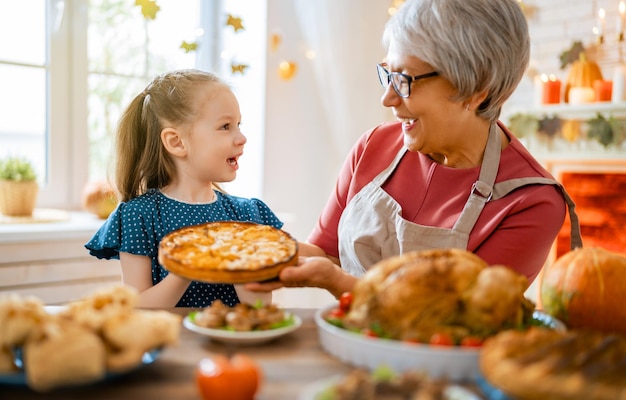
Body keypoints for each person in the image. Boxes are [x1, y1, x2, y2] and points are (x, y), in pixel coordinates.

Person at [246, 0, 582, 300]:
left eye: (405, 80)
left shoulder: (532, 202)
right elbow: (326, 254)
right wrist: (254, 248)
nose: (388, 99)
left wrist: (338, 284)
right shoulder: (371, 147)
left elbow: (453, 318)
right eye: (387, 75)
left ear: (477, 89)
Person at [85, 69, 301, 308]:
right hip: (169, 344)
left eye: (238, 124)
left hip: (234, 343)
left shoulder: (247, 215)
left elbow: (259, 307)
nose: (242, 137)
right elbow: (137, 308)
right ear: (177, 142)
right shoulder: (139, 215)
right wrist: (187, 265)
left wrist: (241, 261)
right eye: (225, 126)